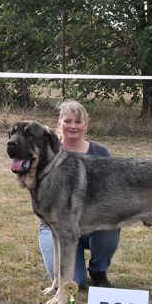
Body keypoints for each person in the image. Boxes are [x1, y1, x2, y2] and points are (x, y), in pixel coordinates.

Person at [38, 99, 120, 288]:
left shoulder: (100, 151)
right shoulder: (47, 153)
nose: (72, 126)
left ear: (86, 125)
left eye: (78, 121)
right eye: (67, 121)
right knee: (74, 283)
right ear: (59, 124)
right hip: (56, 226)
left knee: (110, 229)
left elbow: (112, 189)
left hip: (93, 222)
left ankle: (99, 271)